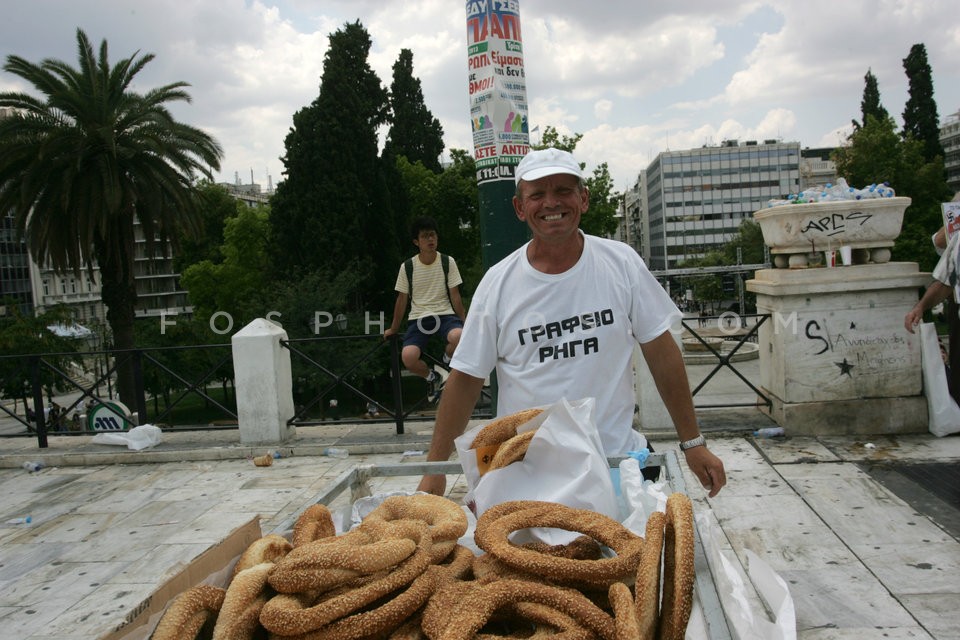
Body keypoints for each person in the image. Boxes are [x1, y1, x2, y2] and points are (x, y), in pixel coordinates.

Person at [415, 148, 726, 498]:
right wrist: (435, 470)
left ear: (584, 199)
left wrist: (693, 442)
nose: (551, 203)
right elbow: (466, 379)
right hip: (527, 473)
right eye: (537, 194)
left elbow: (661, 351)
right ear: (520, 208)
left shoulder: (621, 263)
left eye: (563, 190)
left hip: (613, 464)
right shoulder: (497, 283)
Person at [385, 216, 467, 403]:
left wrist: (465, 320)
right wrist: (394, 328)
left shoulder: (448, 262)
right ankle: (432, 377)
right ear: (416, 241)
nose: (430, 240)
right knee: (408, 357)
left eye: (433, 235)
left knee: (459, 336)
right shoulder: (407, 267)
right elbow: (402, 299)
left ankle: (446, 360)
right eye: (425, 236)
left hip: (445, 314)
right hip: (419, 317)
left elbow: (455, 295)